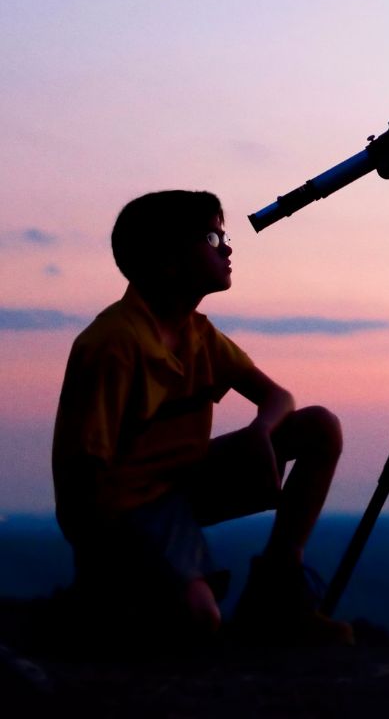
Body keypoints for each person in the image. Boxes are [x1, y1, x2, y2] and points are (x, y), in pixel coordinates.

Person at [52, 189, 353, 645]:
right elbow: (85, 482)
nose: (227, 248)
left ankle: (277, 591)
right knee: (199, 621)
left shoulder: (199, 334)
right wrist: (125, 556)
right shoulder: (113, 344)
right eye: (212, 239)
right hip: (126, 509)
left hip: (183, 482)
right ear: (168, 261)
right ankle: (100, 605)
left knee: (318, 428)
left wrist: (260, 430)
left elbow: (277, 396)